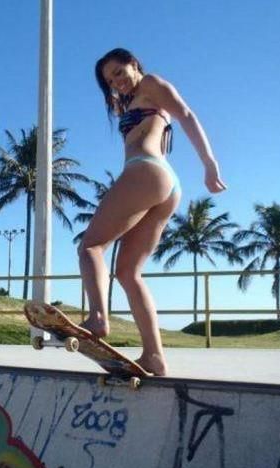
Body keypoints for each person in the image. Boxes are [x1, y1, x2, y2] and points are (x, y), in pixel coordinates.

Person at [78, 48, 226, 376]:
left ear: (134, 64)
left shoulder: (152, 84)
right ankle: (154, 356)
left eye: (119, 72)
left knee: (90, 247)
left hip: (146, 171)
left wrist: (209, 162)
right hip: (164, 185)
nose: (116, 82)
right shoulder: (130, 100)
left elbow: (185, 114)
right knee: (128, 272)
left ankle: (98, 318)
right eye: (109, 80)